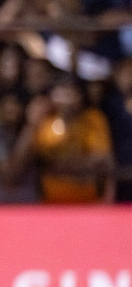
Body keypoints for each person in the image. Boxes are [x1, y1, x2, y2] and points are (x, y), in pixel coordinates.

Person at [10, 74, 115, 204]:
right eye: (62, 91)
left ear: (81, 96)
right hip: (50, 203)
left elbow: (103, 162)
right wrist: (32, 124)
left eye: (73, 91)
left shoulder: (93, 119)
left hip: (89, 202)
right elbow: (19, 168)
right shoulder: (43, 122)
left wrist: (57, 165)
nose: (68, 97)